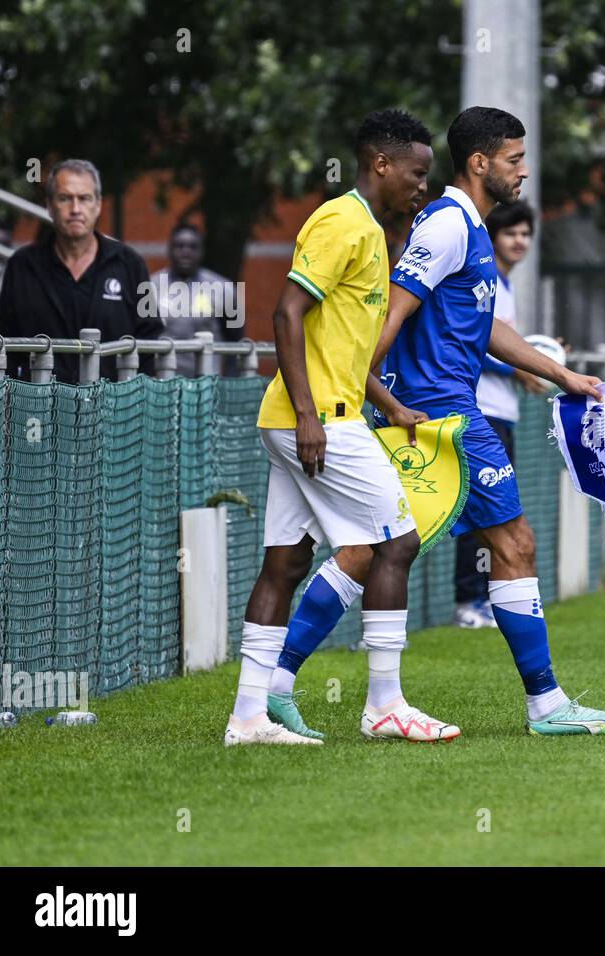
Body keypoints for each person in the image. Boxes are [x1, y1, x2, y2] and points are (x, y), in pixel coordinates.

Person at [267, 107, 605, 738]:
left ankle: (277, 680)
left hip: (433, 411)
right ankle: (544, 704)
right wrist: (371, 398)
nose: (524, 171)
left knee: (368, 549)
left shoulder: (468, 229)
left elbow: (481, 326)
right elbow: (386, 321)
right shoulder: (447, 226)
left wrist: (561, 375)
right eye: (515, 159)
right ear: (481, 163)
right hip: (442, 416)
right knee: (512, 544)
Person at [224, 109, 443, 746]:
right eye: (416, 172)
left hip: (313, 417)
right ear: (381, 164)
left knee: (286, 564)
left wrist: (389, 404)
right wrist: (310, 416)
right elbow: (286, 314)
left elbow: (337, 344)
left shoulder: (372, 231)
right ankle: (384, 705)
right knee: (397, 543)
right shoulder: (341, 220)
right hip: (316, 423)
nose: (421, 185)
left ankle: (247, 718)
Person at [452, 200, 549, 628]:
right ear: (492, 237)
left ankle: (487, 598)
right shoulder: (483, 277)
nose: (520, 241)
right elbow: (475, 341)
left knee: (496, 511)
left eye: (526, 234)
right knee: (481, 510)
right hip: (480, 411)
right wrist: (521, 367)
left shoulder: (504, 286)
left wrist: (543, 354)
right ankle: (469, 600)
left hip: (502, 413)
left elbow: (502, 341)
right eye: (511, 233)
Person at [0, 160, 162, 382]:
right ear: (50, 206)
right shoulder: (22, 265)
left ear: (98, 205)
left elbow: (150, 341)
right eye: (65, 198)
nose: (75, 209)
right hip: (38, 409)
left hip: (114, 409)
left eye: (84, 198)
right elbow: (5, 344)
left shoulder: (131, 265)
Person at [150, 222, 237, 376]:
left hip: (207, 386)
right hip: (163, 387)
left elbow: (236, 342)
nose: (186, 252)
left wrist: (231, 382)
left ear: (202, 251)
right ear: (169, 249)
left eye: (193, 246)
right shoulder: (151, 287)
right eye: (180, 246)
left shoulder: (223, 289)